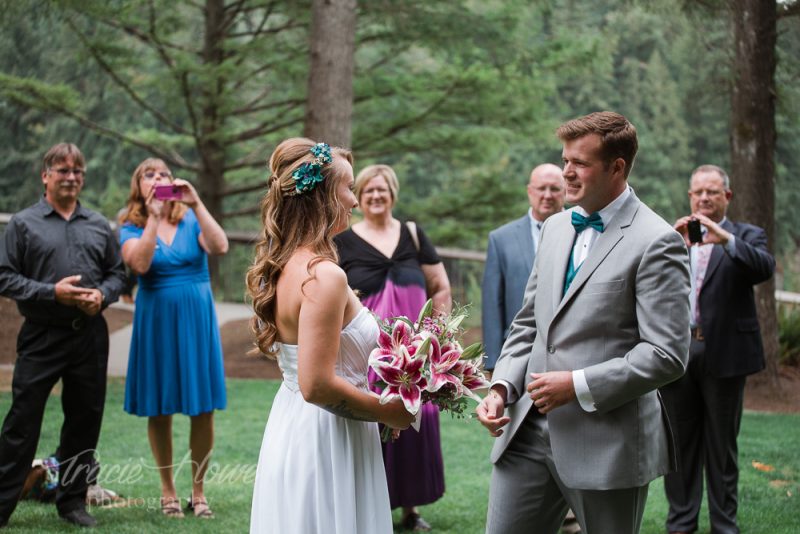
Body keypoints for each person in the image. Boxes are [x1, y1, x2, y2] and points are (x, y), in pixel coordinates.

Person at [476, 111, 691, 534]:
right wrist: (502, 387)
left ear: (617, 168)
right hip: (524, 431)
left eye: (580, 163)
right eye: (565, 160)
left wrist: (576, 385)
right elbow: (527, 325)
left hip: (607, 442)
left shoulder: (657, 241)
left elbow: (666, 355)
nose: (566, 173)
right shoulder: (555, 227)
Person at [247, 138, 414, 534]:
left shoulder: (290, 263)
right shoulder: (322, 275)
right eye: (348, 188)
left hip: (296, 425)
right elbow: (317, 385)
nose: (354, 201)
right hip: (326, 438)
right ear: (323, 195)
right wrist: (386, 411)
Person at [0, 143, 126, 528]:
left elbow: (118, 274)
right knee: (22, 421)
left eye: (77, 171)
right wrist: (51, 292)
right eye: (62, 170)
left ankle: (72, 503)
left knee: (84, 420)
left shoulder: (98, 225)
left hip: (89, 335)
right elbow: (4, 276)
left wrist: (102, 295)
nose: (71, 177)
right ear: (46, 176)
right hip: (41, 335)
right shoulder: (22, 224)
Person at [334, 163, 451, 531]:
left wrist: (434, 335)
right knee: (376, 422)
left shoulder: (413, 235)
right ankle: (371, 504)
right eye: (367, 190)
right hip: (370, 353)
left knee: (416, 420)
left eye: (382, 189)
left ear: (393, 193)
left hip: (415, 351)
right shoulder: (343, 241)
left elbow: (440, 286)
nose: (375, 196)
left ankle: (410, 508)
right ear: (358, 197)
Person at [662, 165, 775, 534]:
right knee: (679, 447)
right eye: (698, 192)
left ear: (727, 196)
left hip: (725, 354)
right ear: (689, 196)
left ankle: (724, 526)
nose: (704, 198)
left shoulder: (745, 236)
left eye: (712, 192)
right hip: (678, 355)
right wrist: (674, 245)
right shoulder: (671, 238)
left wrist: (724, 239)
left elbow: (764, 268)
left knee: (721, 449)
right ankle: (681, 525)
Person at [119, 158, 229, 519]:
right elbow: (140, 265)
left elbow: (220, 245)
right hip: (157, 319)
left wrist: (197, 202)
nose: (157, 178)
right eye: (148, 174)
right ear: (139, 186)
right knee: (161, 405)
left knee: (202, 407)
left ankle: (198, 492)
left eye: (163, 173)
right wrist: (153, 216)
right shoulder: (130, 225)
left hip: (196, 317)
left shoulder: (192, 217)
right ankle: (168, 492)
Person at [482, 163, 565, 373]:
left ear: (565, 191)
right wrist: (493, 362)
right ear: (530, 191)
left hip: (568, 355)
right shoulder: (501, 239)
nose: (547, 195)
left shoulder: (584, 231)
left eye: (555, 189)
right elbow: (493, 304)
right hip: (517, 354)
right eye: (541, 188)